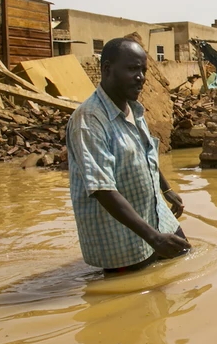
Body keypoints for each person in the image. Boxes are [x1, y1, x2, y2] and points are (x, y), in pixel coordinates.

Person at [67, 37, 190, 272]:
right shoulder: (89, 120)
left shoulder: (133, 108)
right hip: (122, 236)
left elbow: (145, 153)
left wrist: (166, 189)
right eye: (133, 69)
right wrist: (153, 238)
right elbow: (102, 189)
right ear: (107, 69)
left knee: (185, 260)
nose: (141, 77)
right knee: (136, 297)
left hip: (156, 215)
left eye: (143, 70)